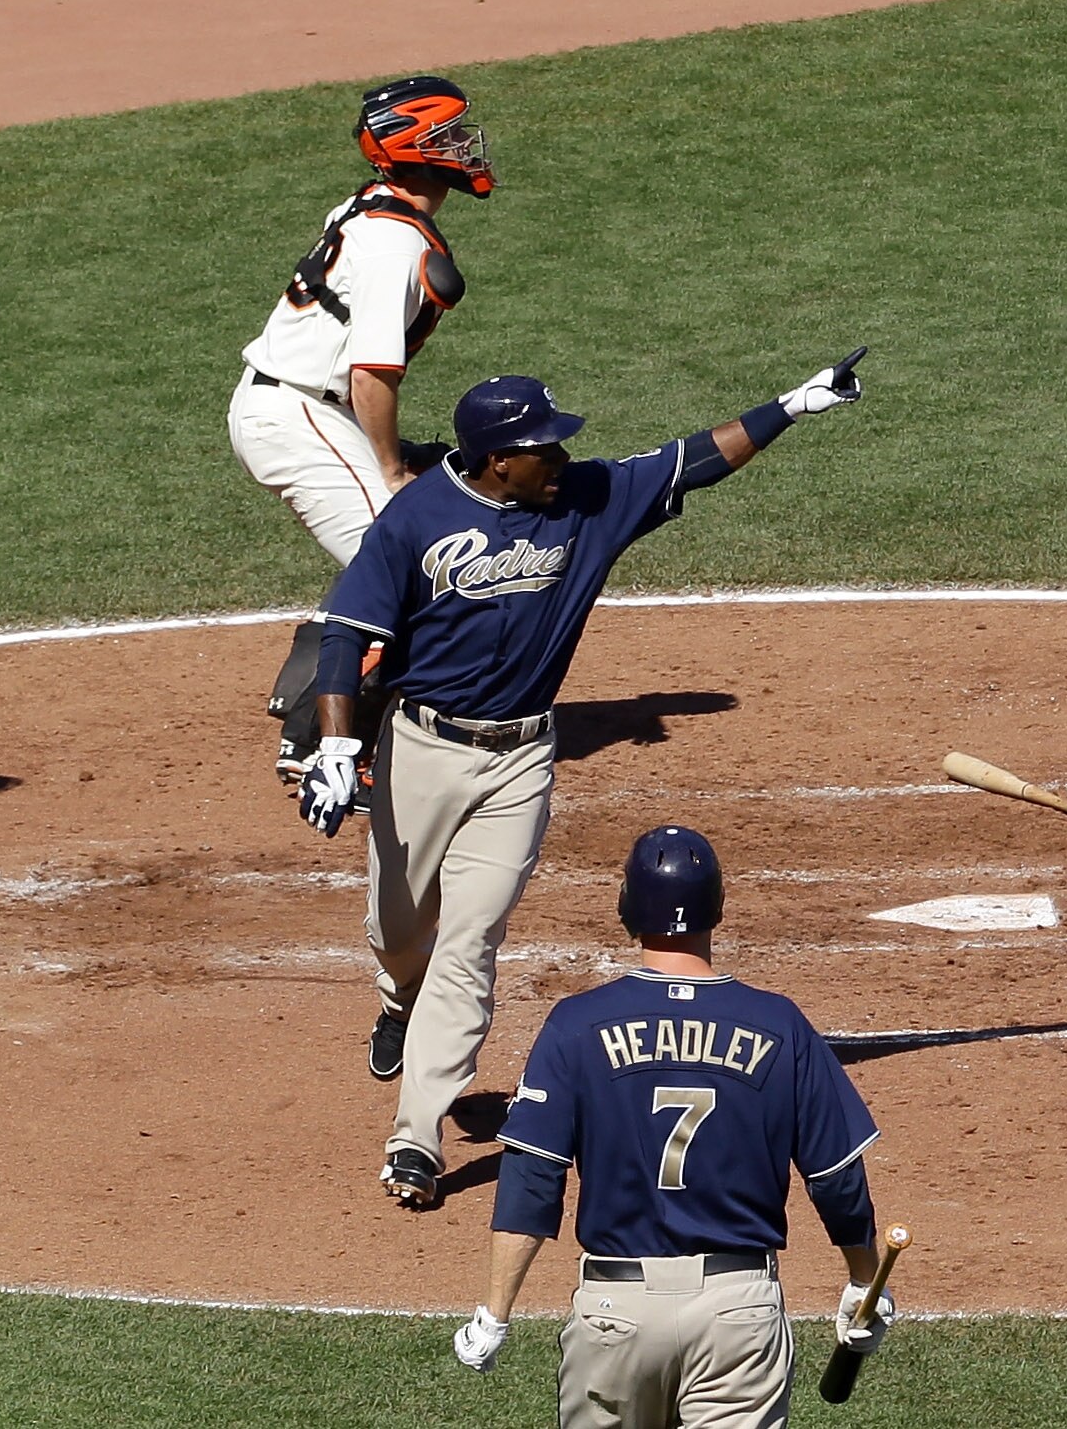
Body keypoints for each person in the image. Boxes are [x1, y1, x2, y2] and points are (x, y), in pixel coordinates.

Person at [298, 351, 867, 1205]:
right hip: (421, 749)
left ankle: (415, 1136)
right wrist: (338, 747)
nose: (562, 460)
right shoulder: (417, 518)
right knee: (398, 924)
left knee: (471, 941)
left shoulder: (587, 502)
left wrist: (789, 405)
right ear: (498, 460)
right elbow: (344, 633)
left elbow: (691, 460)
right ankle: (395, 995)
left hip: (522, 758)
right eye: (545, 449)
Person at [449, 826, 896, 1427]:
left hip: (616, 1313)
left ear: (628, 908)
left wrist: (495, 1312)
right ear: (717, 908)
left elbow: (533, 1178)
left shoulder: (576, 1024)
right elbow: (836, 1176)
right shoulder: (779, 1023)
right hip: (739, 1316)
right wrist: (863, 1284)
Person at [229, 75, 494, 795]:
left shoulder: (373, 209)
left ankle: (320, 670)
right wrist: (390, 466)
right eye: (447, 138)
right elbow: (370, 376)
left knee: (406, 556)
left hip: (302, 407)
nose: (464, 147)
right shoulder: (389, 247)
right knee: (414, 565)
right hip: (301, 414)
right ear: (413, 148)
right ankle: (320, 742)